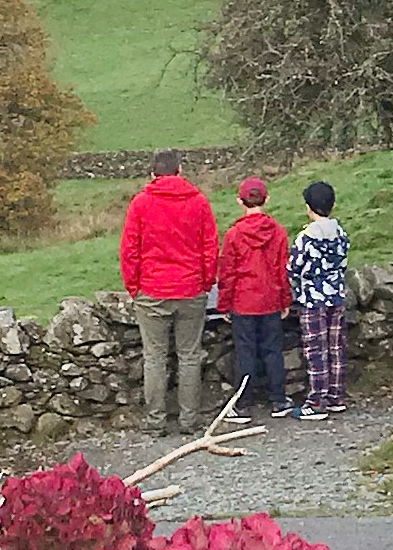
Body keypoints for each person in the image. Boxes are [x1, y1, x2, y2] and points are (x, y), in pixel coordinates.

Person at [118, 150, 220, 431]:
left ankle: (156, 421)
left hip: (152, 289)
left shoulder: (141, 204)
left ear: (153, 174)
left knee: (154, 358)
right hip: (190, 288)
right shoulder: (198, 202)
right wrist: (206, 282)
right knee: (189, 356)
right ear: (180, 171)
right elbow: (210, 246)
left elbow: (129, 250)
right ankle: (189, 420)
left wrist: (133, 287)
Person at [220, 174, 291, 416]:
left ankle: (243, 404)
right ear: (266, 199)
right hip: (270, 298)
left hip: (243, 300)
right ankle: (279, 400)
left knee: (245, 352)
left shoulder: (233, 235)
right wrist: (285, 300)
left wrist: (224, 304)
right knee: (273, 350)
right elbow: (283, 270)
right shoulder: (278, 232)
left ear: (239, 201)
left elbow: (227, 273)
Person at [287, 177, 351, 419]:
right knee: (336, 347)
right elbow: (343, 263)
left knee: (316, 349)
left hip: (313, 299)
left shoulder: (306, 238)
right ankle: (336, 395)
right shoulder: (340, 234)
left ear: (309, 207)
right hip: (336, 296)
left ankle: (316, 401)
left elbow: (294, 268)